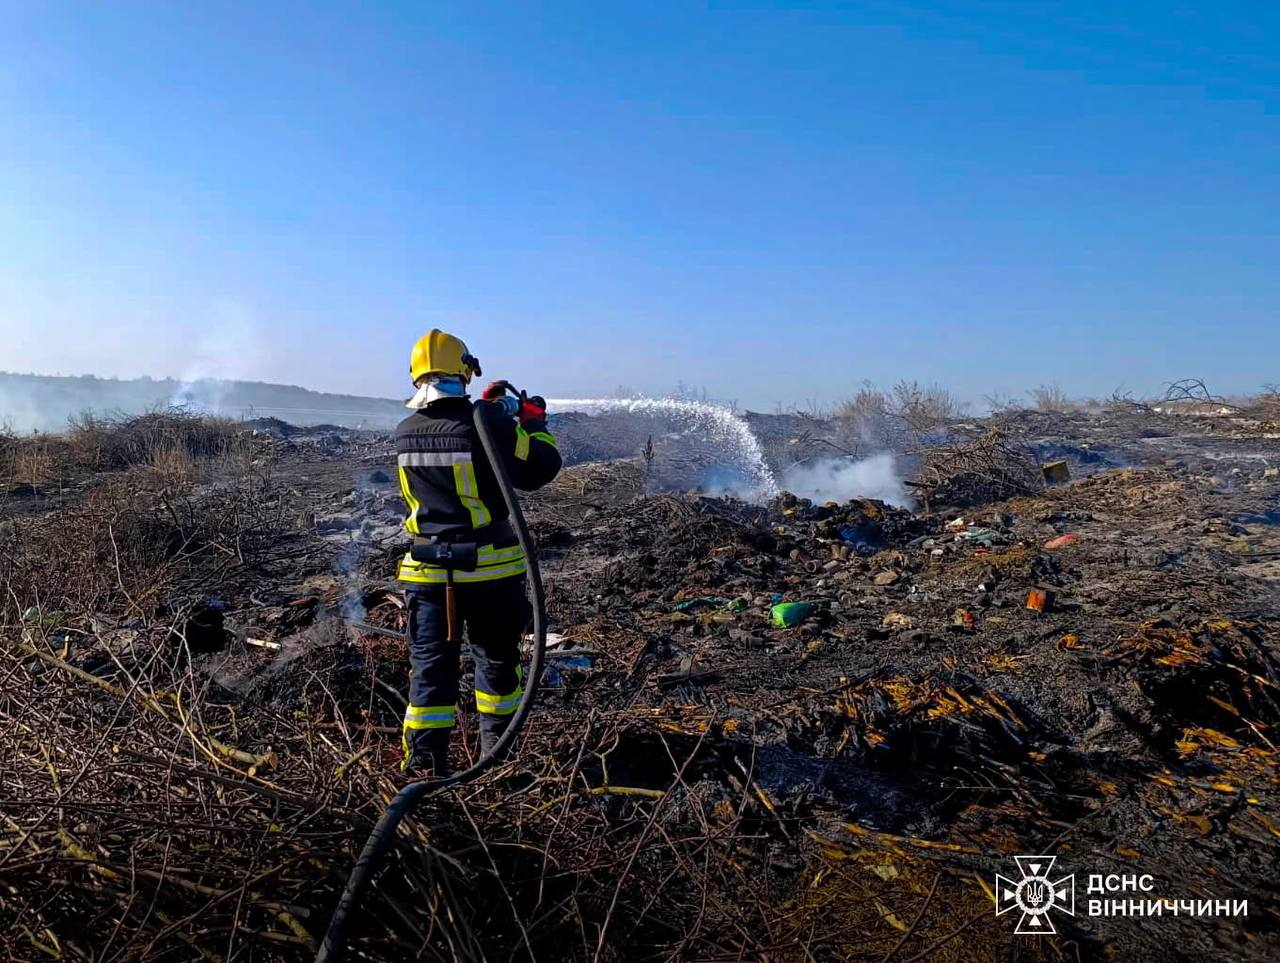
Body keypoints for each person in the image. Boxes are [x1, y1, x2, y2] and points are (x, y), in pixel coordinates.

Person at [393, 329, 561, 775]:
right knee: (498, 673)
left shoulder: (405, 432)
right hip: (489, 574)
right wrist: (533, 421)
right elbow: (541, 468)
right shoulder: (487, 424)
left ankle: (424, 773)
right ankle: (497, 767)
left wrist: (494, 414)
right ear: (464, 371)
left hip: (427, 578)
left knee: (429, 677)